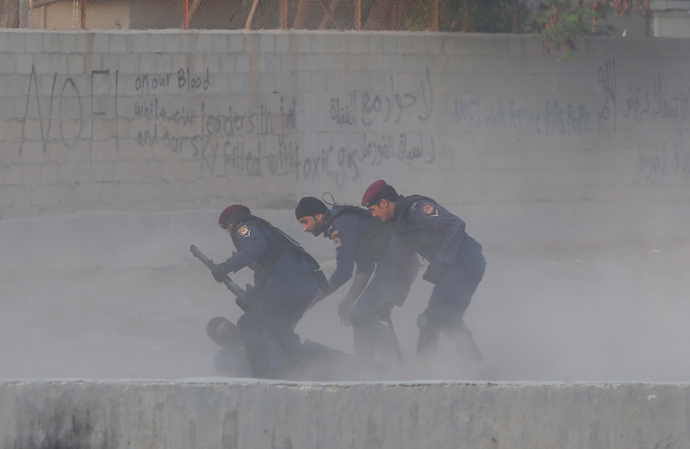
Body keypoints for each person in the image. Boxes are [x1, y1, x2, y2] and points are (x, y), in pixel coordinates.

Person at [361, 180, 486, 362]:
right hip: (455, 268)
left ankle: (423, 374)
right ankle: (480, 368)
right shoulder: (399, 224)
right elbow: (401, 262)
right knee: (447, 320)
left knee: (430, 320)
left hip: (465, 263)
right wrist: (391, 300)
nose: (374, 215)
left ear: (384, 203)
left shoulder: (416, 209)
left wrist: (442, 262)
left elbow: (456, 225)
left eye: (373, 210)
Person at [295, 196, 419, 362]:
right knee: (361, 315)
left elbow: (343, 272)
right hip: (399, 264)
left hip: (397, 264)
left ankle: (366, 365)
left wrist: (315, 298)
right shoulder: (342, 221)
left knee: (360, 315)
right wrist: (350, 298)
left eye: (305, 221)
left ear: (318, 216)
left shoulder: (341, 225)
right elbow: (365, 267)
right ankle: (393, 358)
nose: (305, 229)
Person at [210, 204, 327, 379]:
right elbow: (264, 272)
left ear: (229, 225)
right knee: (276, 326)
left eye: (227, 230)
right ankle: (303, 366)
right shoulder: (264, 229)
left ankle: (261, 377)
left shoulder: (243, 226)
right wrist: (254, 296)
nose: (229, 233)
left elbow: (258, 245)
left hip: (288, 281)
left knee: (247, 324)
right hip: (306, 282)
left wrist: (228, 266)